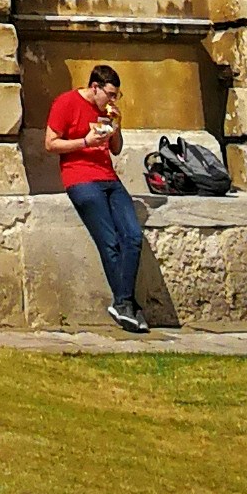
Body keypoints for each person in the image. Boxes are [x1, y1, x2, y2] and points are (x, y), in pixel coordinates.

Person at [47, 64, 152, 334]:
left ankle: (124, 302)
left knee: (133, 236)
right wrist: (84, 142)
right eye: (110, 94)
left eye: (117, 95)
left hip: (109, 177)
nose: (113, 99)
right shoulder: (66, 102)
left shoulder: (106, 110)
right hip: (80, 179)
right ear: (95, 87)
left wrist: (117, 126)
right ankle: (127, 304)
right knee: (110, 242)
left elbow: (116, 150)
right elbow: (50, 143)